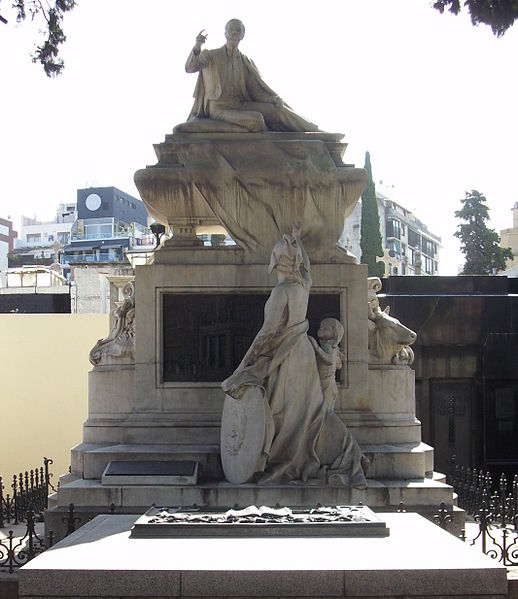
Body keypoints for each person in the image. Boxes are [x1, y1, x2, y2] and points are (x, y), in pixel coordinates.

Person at [222, 224, 366, 487]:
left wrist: (243, 364)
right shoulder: (303, 286)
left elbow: (266, 333)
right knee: (303, 412)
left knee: (281, 413)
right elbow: (307, 269)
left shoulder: (281, 293)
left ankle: (282, 460)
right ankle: (298, 456)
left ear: (276, 261)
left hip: (286, 357)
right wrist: (298, 243)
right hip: (304, 354)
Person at [185, 19, 320, 132]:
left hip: (240, 105)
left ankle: (315, 132)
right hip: (219, 108)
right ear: (225, 33)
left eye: (238, 30)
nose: (234, 32)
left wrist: (272, 99)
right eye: (231, 29)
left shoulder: (245, 62)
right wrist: (197, 46)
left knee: (278, 110)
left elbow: (255, 91)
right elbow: (190, 68)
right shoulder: (211, 55)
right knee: (256, 120)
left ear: (243, 35)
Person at [309, 318, 345, 411]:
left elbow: (329, 361)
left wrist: (316, 347)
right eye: (321, 328)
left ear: (334, 333)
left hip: (326, 384)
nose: (321, 330)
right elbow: (338, 365)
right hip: (327, 383)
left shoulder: (327, 347)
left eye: (326, 328)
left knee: (324, 411)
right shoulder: (334, 348)